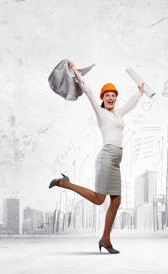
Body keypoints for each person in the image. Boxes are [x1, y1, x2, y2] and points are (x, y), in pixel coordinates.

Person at [49, 61, 145, 254]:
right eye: (107, 95)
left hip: (116, 160)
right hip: (106, 157)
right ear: (103, 98)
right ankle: (64, 183)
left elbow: (130, 105)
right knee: (100, 199)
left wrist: (140, 92)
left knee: (116, 200)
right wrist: (76, 72)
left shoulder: (118, 114)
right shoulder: (101, 113)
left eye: (113, 95)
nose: (110, 98)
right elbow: (89, 92)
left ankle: (106, 239)